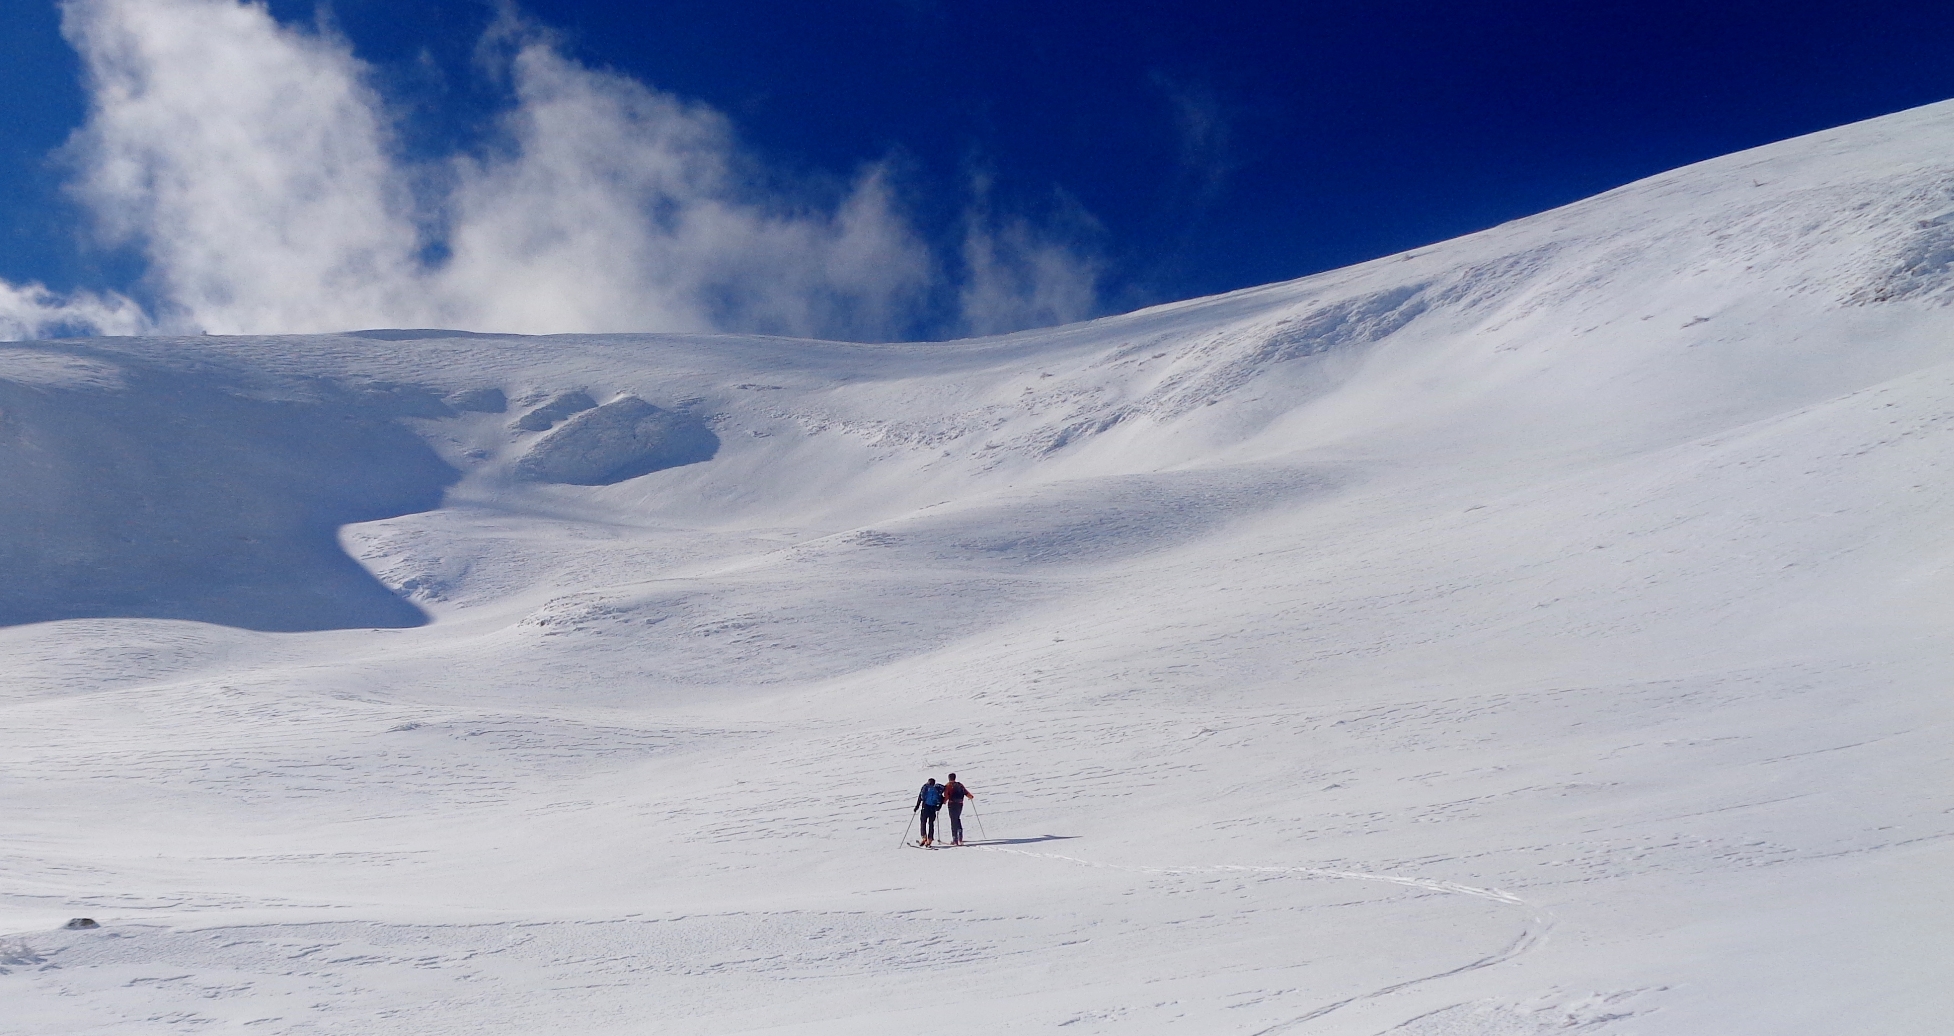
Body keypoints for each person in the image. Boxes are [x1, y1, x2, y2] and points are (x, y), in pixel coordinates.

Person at [943, 773, 975, 846]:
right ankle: (960, 838)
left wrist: (944, 801)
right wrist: (970, 797)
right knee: (957, 819)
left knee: (953, 821)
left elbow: (946, 795)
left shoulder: (948, 785)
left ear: (949, 778)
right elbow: (965, 792)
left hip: (952, 804)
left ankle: (955, 840)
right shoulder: (960, 784)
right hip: (960, 804)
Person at [914, 777, 945, 846]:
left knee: (923, 822)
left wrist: (917, 807)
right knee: (931, 824)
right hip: (933, 809)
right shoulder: (937, 790)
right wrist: (938, 808)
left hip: (925, 807)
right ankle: (930, 839)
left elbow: (920, 798)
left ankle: (924, 837)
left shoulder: (925, 788)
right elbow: (942, 799)